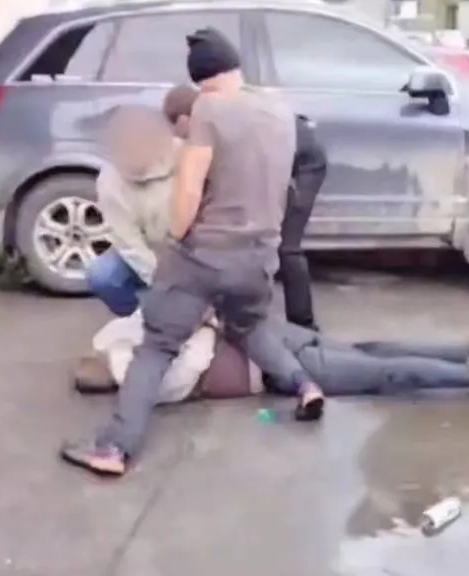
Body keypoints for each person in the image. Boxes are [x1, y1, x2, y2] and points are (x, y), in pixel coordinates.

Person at [60, 28, 319, 477]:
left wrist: (179, 236)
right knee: (249, 327)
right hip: (259, 254)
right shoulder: (278, 108)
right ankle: (305, 385)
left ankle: (114, 449)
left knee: (156, 347)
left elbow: (189, 191)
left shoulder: (208, 110)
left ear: (201, 81)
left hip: (206, 256)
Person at [72, 313, 469, 414]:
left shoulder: (129, 345)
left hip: (272, 353)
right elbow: (195, 360)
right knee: (374, 358)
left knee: (375, 364)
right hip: (272, 351)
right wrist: (203, 324)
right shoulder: (148, 372)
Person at [164, 85, 327, 331]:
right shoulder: (213, 122)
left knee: (286, 247)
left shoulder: (224, 124)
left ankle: (304, 326)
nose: (180, 137)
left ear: (187, 119)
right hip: (275, 156)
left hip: (303, 162)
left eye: (178, 129)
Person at [84, 106, 179, 316]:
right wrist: (162, 283)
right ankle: (140, 314)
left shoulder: (184, 155)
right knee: (103, 274)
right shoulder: (109, 182)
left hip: (188, 250)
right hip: (148, 251)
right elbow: (128, 243)